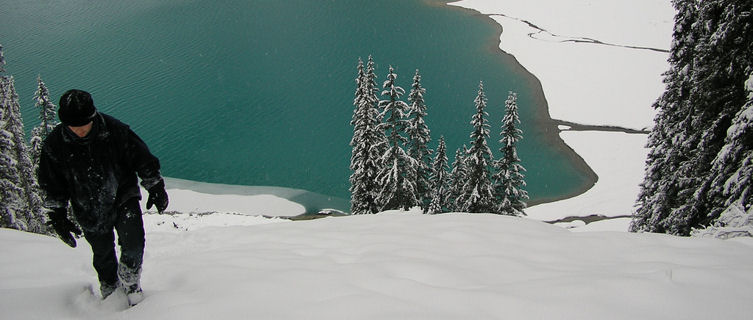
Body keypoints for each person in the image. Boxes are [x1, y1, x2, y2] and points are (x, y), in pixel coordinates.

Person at [38, 89, 169, 306]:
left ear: (92, 116)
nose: (79, 130)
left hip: (123, 196)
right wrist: (58, 213)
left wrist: (155, 186)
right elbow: (51, 183)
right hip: (87, 206)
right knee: (102, 253)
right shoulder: (55, 145)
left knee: (134, 242)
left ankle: (130, 282)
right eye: (73, 126)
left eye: (84, 124)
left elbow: (142, 158)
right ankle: (110, 291)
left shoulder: (115, 131)